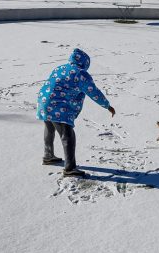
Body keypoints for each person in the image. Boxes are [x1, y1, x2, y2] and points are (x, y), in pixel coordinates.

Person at [36, 48, 115, 177]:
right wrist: (107, 105)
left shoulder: (60, 68)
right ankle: (70, 168)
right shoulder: (81, 74)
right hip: (59, 107)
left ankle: (48, 155)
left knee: (49, 128)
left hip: (44, 102)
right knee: (67, 135)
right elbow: (93, 92)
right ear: (85, 63)